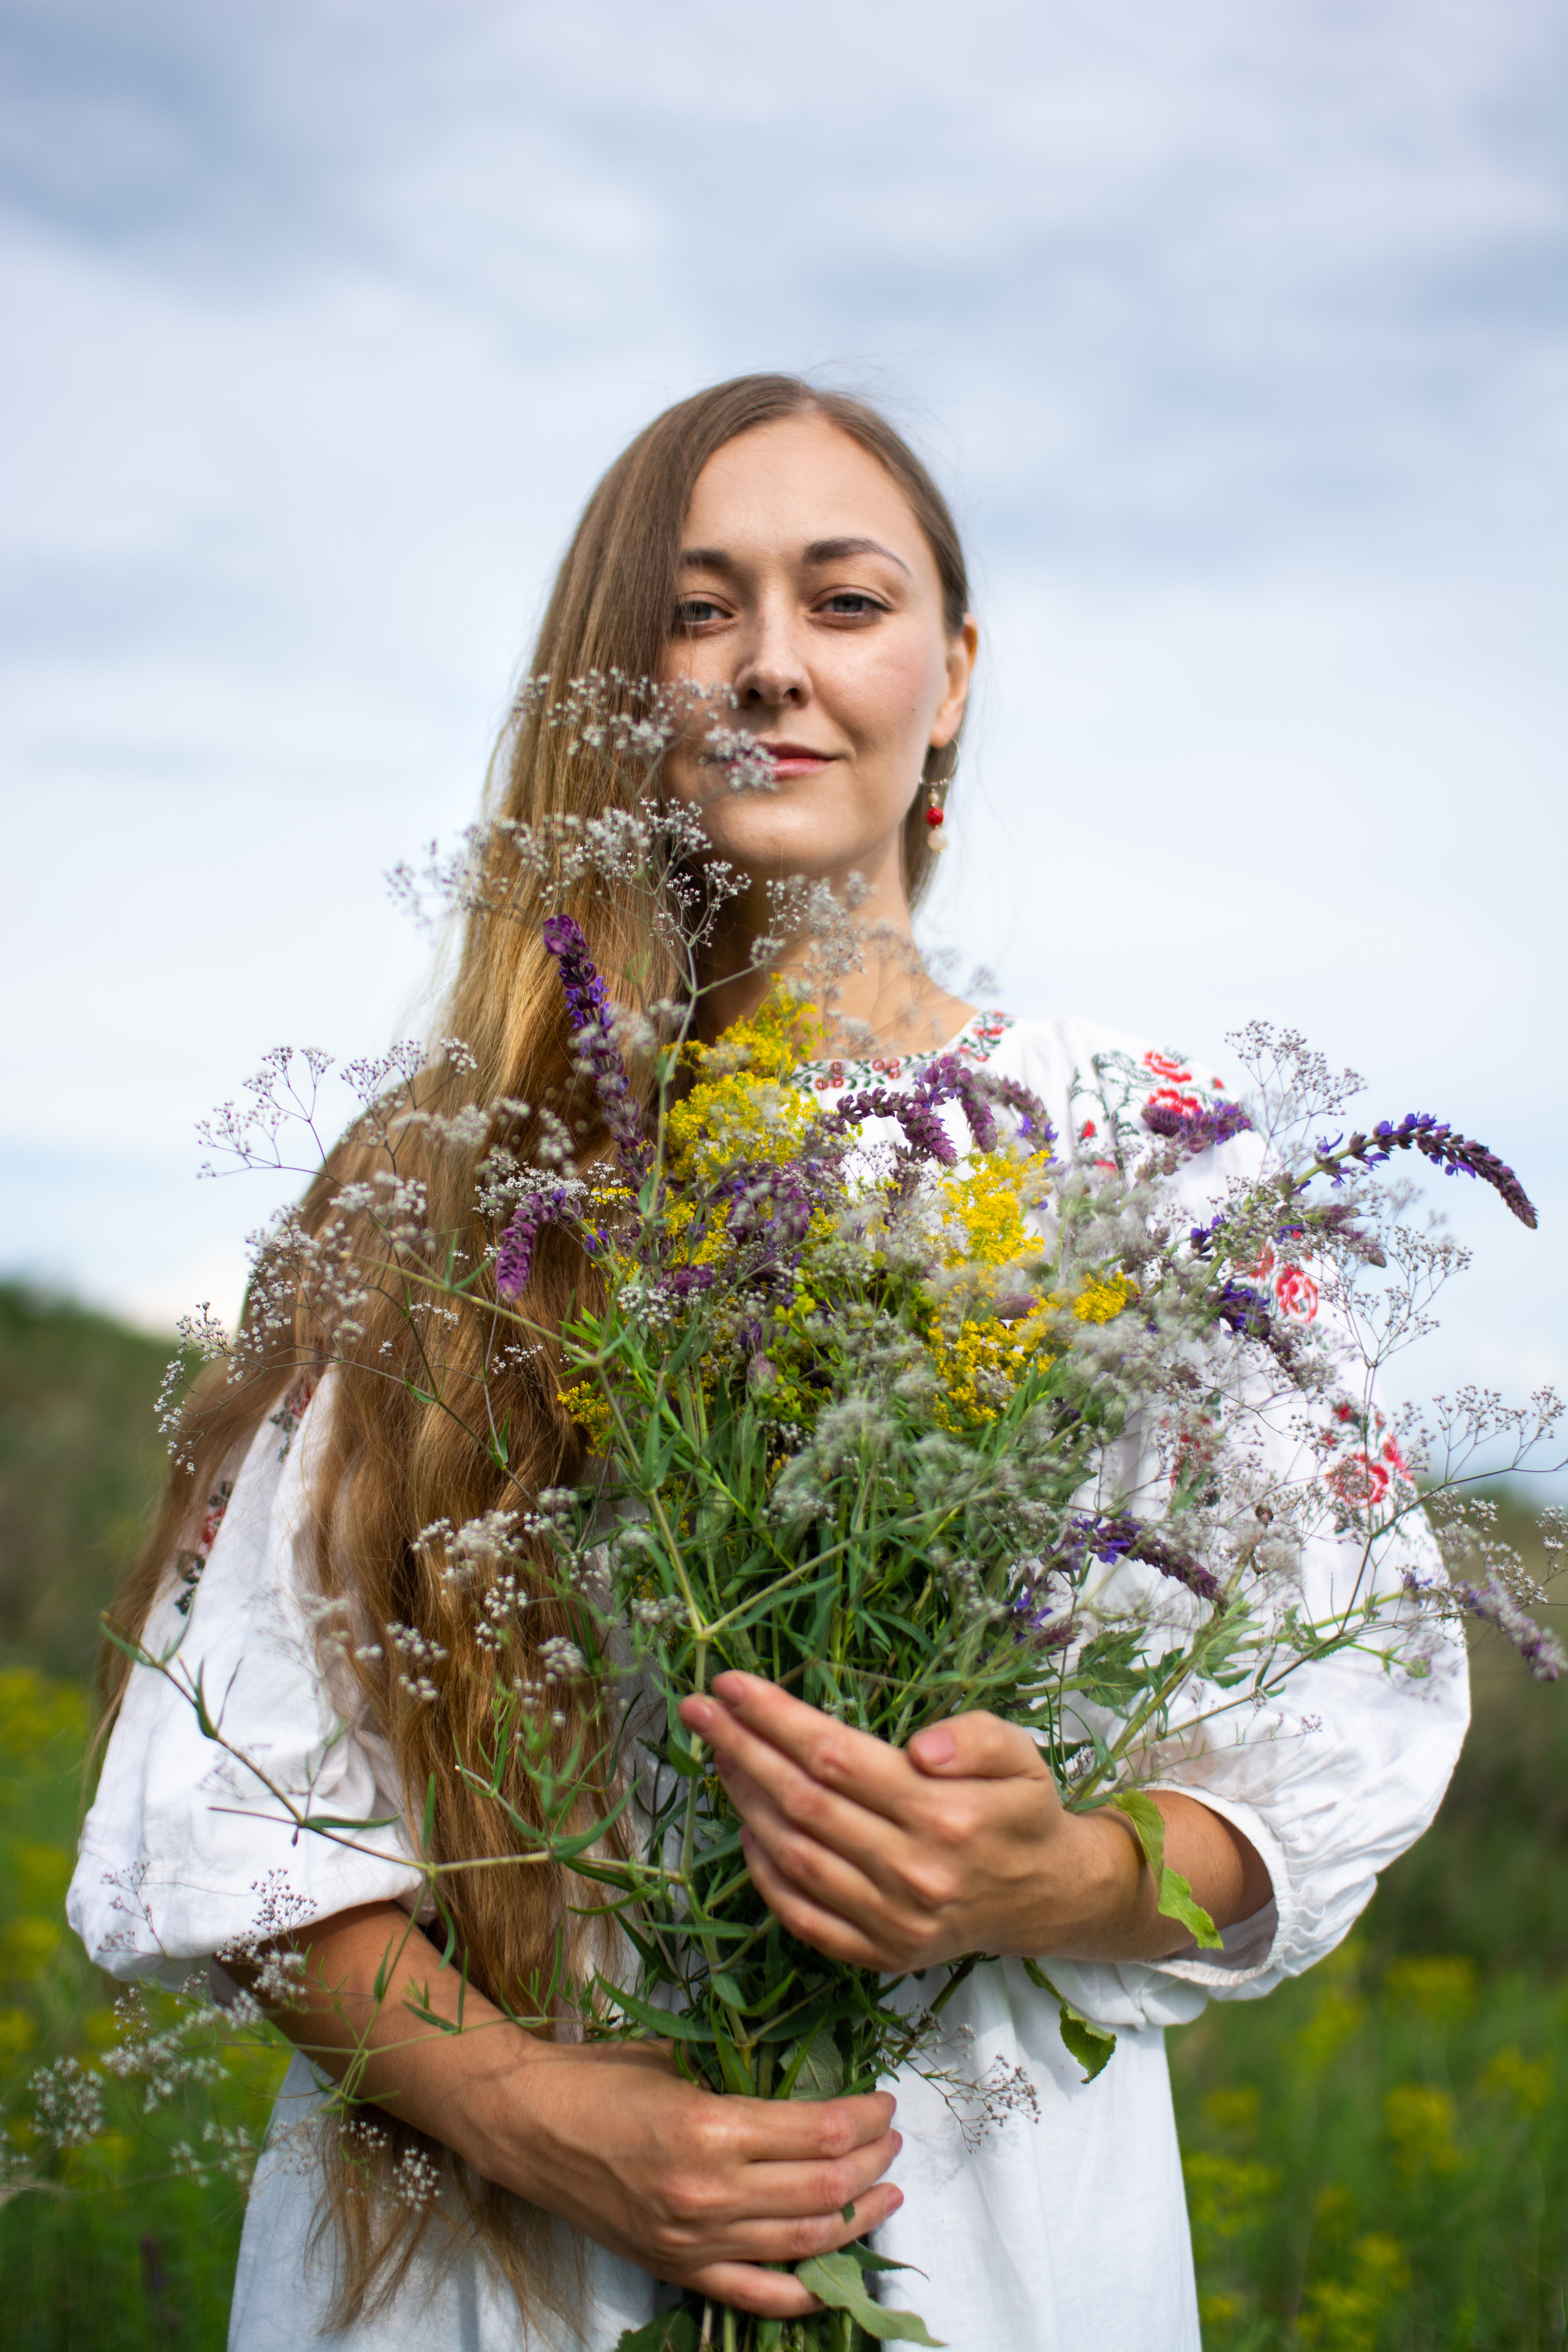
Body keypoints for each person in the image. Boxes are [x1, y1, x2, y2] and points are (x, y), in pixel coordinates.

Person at [69, 375, 1468, 2351]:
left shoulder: (1153, 1171)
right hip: (498, 2269)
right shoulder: (465, 1172)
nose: (770, 669)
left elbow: (1350, 1730)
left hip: (971, 2239)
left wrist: (1054, 1872)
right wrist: (536, 2112)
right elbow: (240, 1798)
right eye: (699, 608)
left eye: (844, 599)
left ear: (955, 671)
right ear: (615, 679)